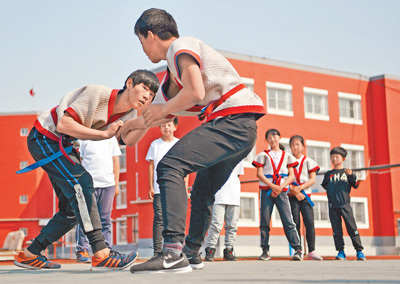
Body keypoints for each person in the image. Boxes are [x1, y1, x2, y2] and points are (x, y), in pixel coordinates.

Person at [129, 8, 265, 273]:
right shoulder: (174, 69)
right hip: (242, 129)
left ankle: (172, 252)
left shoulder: (182, 46)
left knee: (169, 166)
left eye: (141, 42)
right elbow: (151, 114)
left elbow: (194, 93)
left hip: (231, 122)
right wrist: (123, 128)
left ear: (150, 34)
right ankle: (191, 254)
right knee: (202, 190)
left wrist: (162, 111)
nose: (143, 49)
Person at [14, 70, 159, 271]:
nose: (147, 96)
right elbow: (64, 124)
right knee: (83, 183)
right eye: (144, 88)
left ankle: (29, 254)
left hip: (63, 144)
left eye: (152, 95)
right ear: (129, 83)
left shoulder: (130, 114)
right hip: (44, 136)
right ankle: (101, 253)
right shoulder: (97, 93)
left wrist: (152, 120)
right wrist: (104, 134)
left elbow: (127, 141)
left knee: (71, 211)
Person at [252, 129, 302, 261]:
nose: (272, 139)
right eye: (269, 137)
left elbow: (291, 175)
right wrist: (272, 186)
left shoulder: (287, 156)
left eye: (275, 136)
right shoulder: (262, 155)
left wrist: (281, 186)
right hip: (267, 191)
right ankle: (265, 250)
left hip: (282, 191)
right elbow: (259, 174)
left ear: (280, 137)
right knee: (264, 221)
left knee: (288, 220)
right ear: (266, 140)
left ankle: (297, 249)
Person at [146, 117, 188, 257]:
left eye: (169, 125)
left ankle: (178, 248)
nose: (166, 128)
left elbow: (185, 167)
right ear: (160, 128)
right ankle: (158, 250)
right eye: (163, 125)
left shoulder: (180, 144)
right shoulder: (155, 145)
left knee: (177, 217)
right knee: (159, 218)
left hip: (177, 188)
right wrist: (150, 186)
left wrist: (185, 186)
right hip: (159, 188)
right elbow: (151, 167)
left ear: (175, 127)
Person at [75, 137, 122, 263]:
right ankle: (82, 249)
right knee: (86, 218)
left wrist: (116, 184)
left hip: (108, 184)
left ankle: (106, 249)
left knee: (105, 219)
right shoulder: (84, 138)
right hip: (89, 185)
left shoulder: (110, 138)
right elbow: (79, 161)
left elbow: (116, 161)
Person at [321, 147, 366, 261]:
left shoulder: (348, 172)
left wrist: (351, 175)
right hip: (333, 206)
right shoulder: (328, 174)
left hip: (345, 205)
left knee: (352, 228)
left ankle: (359, 251)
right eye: (332, 157)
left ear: (343, 158)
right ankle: (341, 252)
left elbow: (355, 185)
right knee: (337, 230)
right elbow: (325, 186)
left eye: (337, 157)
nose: (334, 159)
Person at [288, 135, 323, 260]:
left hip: (306, 196)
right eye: (293, 144)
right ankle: (298, 250)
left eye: (298, 144)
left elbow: (313, 179)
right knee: (295, 223)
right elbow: (285, 179)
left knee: (309, 222)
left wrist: (299, 188)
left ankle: (312, 250)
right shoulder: (288, 162)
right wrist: (294, 191)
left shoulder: (308, 161)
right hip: (292, 196)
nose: (295, 147)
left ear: (303, 146)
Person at [204, 161, 244, 262]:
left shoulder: (240, 156)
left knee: (232, 225)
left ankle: (229, 250)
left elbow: (238, 175)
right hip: (219, 194)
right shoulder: (218, 154)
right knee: (216, 224)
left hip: (234, 193)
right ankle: (210, 249)